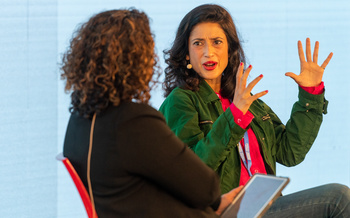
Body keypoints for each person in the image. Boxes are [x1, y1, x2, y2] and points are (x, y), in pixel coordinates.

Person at [159, 4, 350, 217]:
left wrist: (310, 94)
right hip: (223, 212)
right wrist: (235, 117)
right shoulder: (180, 100)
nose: (208, 52)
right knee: (338, 199)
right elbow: (192, 170)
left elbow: (290, 152)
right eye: (198, 43)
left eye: (217, 42)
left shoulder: (244, 98)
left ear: (230, 50)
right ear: (186, 54)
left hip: (266, 206)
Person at [60, 8, 243, 218]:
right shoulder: (135, 121)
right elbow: (207, 188)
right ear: (136, 61)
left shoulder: (79, 120)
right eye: (148, 50)